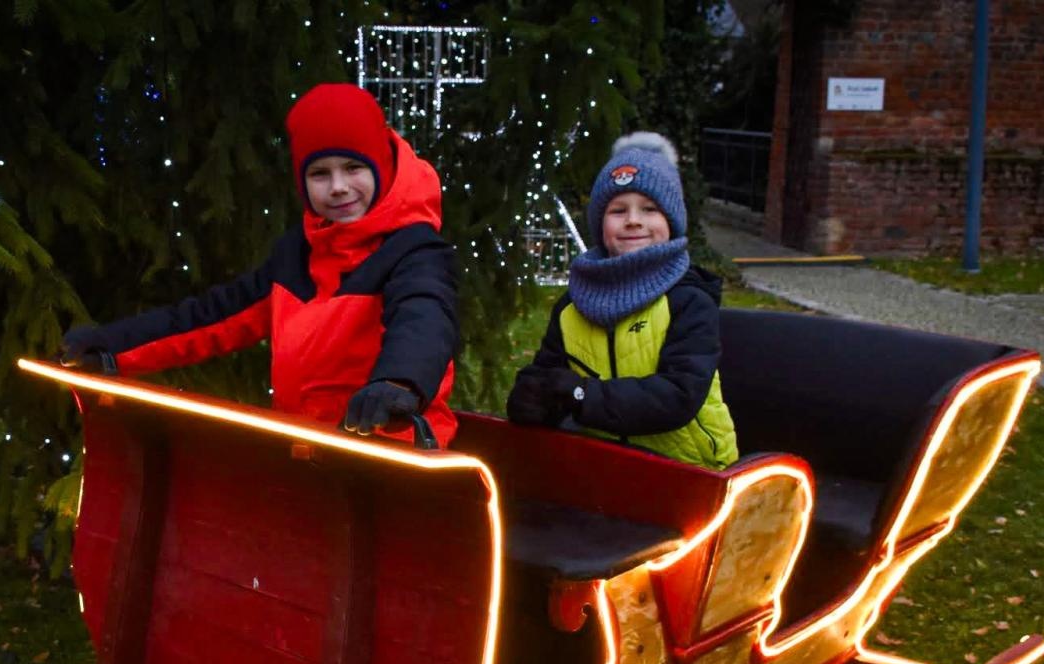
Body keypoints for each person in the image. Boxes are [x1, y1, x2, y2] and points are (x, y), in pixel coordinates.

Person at [57, 83, 460, 445]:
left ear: (381, 167)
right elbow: (211, 317)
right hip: (310, 450)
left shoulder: (413, 252)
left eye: (353, 168)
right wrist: (114, 346)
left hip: (392, 452)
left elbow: (424, 317)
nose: (338, 187)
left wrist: (398, 383)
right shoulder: (298, 255)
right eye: (320, 174)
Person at [506, 133, 737, 470]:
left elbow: (678, 396)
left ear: (671, 222)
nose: (633, 220)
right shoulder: (572, 306)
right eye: (618, 210)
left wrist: (581, 394)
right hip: (602, 463)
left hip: (691, 469)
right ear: (600, 224)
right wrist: (530, 396)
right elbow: (548, 372)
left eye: (650, 209)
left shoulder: (689, 300)